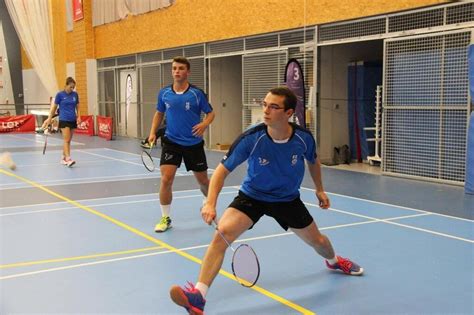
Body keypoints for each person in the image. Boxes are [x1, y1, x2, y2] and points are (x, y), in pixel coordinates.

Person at [169, 87, 363, 314]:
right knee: (221, 235)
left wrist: (320, 190)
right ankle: (198, 297)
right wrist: (210, 202)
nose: (266, 110)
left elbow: (313, 161)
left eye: (273, 106)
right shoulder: (252, 138)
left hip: (287, 199)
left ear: (288, 112)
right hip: (253, 196)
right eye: (264, 104)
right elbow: (221, 171)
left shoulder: (303, 138)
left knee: (319, 242)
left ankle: (334, 261)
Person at [148, 56, 215, 232]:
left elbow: (210, 113)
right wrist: (152, 132)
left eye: (181, 68)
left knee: (203, 181)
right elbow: (159, 113)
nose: (177, 71)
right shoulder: (164, 93)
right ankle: (165, 217)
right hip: (171, 142)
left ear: (188, 72)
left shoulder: (196, 94)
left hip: (193, 143)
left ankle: (209, 205)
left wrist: (204, 124)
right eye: (174, 68)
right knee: (166, 179)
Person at [44, 77, 80, 167]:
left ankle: (63, 158)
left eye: (73, 87)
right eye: (70, 87)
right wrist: (49, 118)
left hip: (72, 119)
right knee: (66, 139)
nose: (72, 89)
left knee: (69, 140)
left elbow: (78, 107)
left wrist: (79, 117)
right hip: (64, 119)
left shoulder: (75, 95)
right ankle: (68, 159)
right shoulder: (60, 95)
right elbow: (54, 108)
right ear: (66, 85)